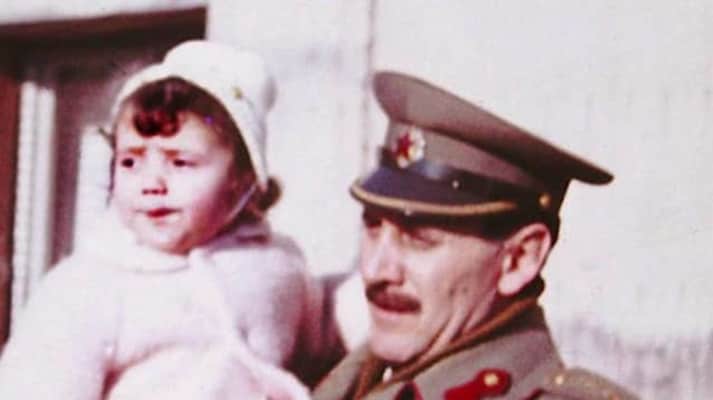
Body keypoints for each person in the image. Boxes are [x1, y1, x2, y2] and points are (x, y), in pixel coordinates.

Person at [0, 40, 325, 399]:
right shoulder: (89, 286)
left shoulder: (276, 264)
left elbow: (330, 330)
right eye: (131, 161)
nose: (152, 183)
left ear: (241, 180)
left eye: (180, 162)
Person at [313, 71, 638, 399]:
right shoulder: (348, 384)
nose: (375, 270)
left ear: (519, 259)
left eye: (418, 239)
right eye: (372, 227)